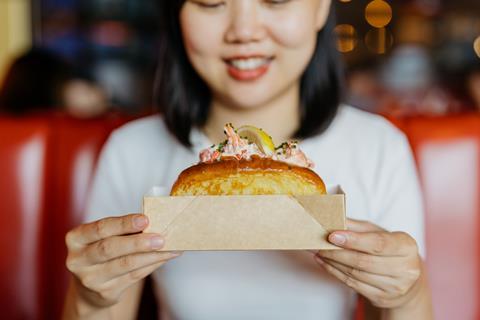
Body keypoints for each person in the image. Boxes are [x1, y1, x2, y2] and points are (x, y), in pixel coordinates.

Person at [63, 1, 433, 319]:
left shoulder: (379, 147)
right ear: (177, 14)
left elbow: (396, 302)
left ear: (320, 7)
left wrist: (406, 294)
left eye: (275, 0)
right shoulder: (132, 149)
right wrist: (91, 296)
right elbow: (105, 302)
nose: (244, 31)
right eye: (211, 3)